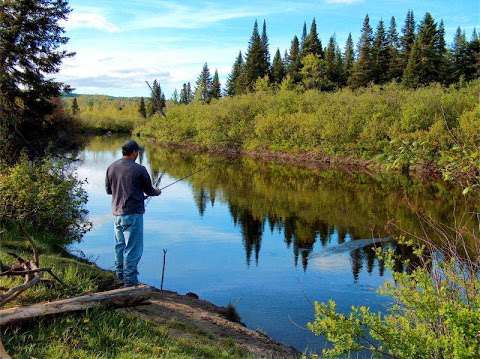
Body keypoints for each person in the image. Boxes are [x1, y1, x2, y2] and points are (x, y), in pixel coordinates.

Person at [105, 140, 161, 286]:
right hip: (133, 215)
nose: (138, 154)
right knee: (133, 248)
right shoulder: (139, 169)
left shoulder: (111, 167)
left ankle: (119, 276)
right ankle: (130, 281)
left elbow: (109, 191)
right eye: (138, 152)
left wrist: (136, 193)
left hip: (117, 214)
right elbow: (149, 190)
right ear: (134, 152)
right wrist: (157, 192)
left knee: (119, 246)